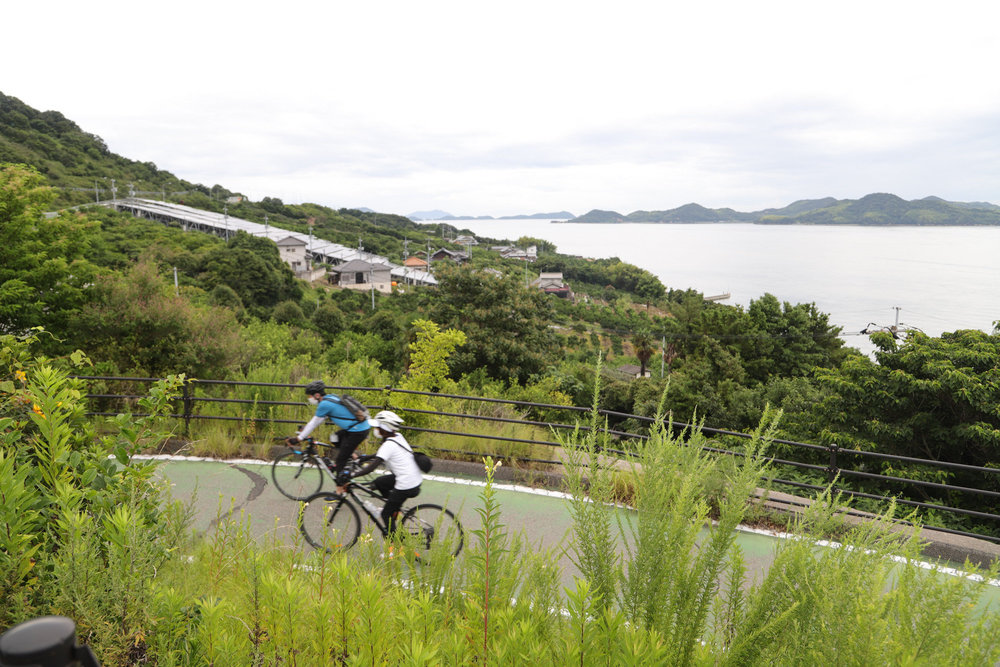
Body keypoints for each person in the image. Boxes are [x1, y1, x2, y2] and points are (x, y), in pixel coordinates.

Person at [347, 410, 421, 536]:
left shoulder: (388, 445)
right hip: (413, 478)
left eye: (378, 426)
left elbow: (371, 468)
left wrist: (351, 476)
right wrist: (363, 458)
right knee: (379, 482)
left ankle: (394, 547)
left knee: (385, 514)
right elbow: (379, 455)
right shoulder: (397, 437)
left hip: (406, 484)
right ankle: (393, 507)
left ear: (384, 428)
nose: (375, 429)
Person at [286, 381, 371, 488]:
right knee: (334, 438)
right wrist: (305, 431)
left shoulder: (324, 405)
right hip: (356, 427)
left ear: (317, 395)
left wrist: (298, 438)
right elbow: (318, 421)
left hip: (357, 431)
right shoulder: (331, 397)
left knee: (340, 461)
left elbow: (314, 423)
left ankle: (340, 491)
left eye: (310, 396)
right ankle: (354, 457)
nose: (309, 398)